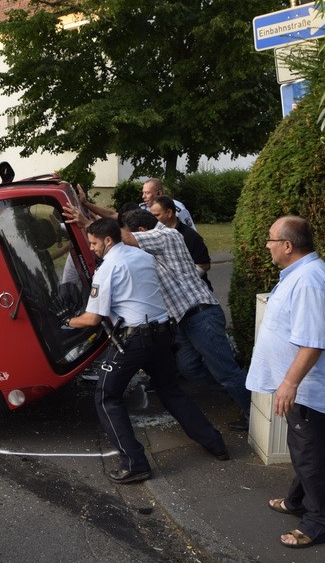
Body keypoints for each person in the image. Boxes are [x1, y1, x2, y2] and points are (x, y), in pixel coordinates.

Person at [63, 217, 229, 484]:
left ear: (108, 240)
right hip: (163, 333)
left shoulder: (108, 268)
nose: (91, 248)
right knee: (172, 391)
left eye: (93, 243)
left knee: (106, 397)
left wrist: (66, 320)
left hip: (135, 339)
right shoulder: (141, 256)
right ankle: (215, 443)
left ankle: (135, 463)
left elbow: (93, 319)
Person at [246, 216, 325, 549]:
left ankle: (319, 522)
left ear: (287, 245)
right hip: (303, 386)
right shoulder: (302, 275)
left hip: (310, 389)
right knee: (305, 449)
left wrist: (289, 384)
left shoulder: (309, 281)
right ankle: (297, 500)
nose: (268, 245)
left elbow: (313, 342)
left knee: (311, 455)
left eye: (270, 239)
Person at [120, 209, 250, 430]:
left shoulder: (167, 236)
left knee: (225, 370)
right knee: (190, 368)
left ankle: (253, 412)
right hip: (184, 319)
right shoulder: (154, 244)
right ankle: (238, 391)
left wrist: (86, 222)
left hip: (201, 314)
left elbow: (124, 237)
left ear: (142, 231)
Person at [150, 195, 212, 289]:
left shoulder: (190, 236)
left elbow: (204, 264)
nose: (154, 219)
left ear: (169, 213)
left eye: (157, 215)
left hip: (197, 293)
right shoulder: (156, 234)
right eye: (152, 215)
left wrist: (183, 282)